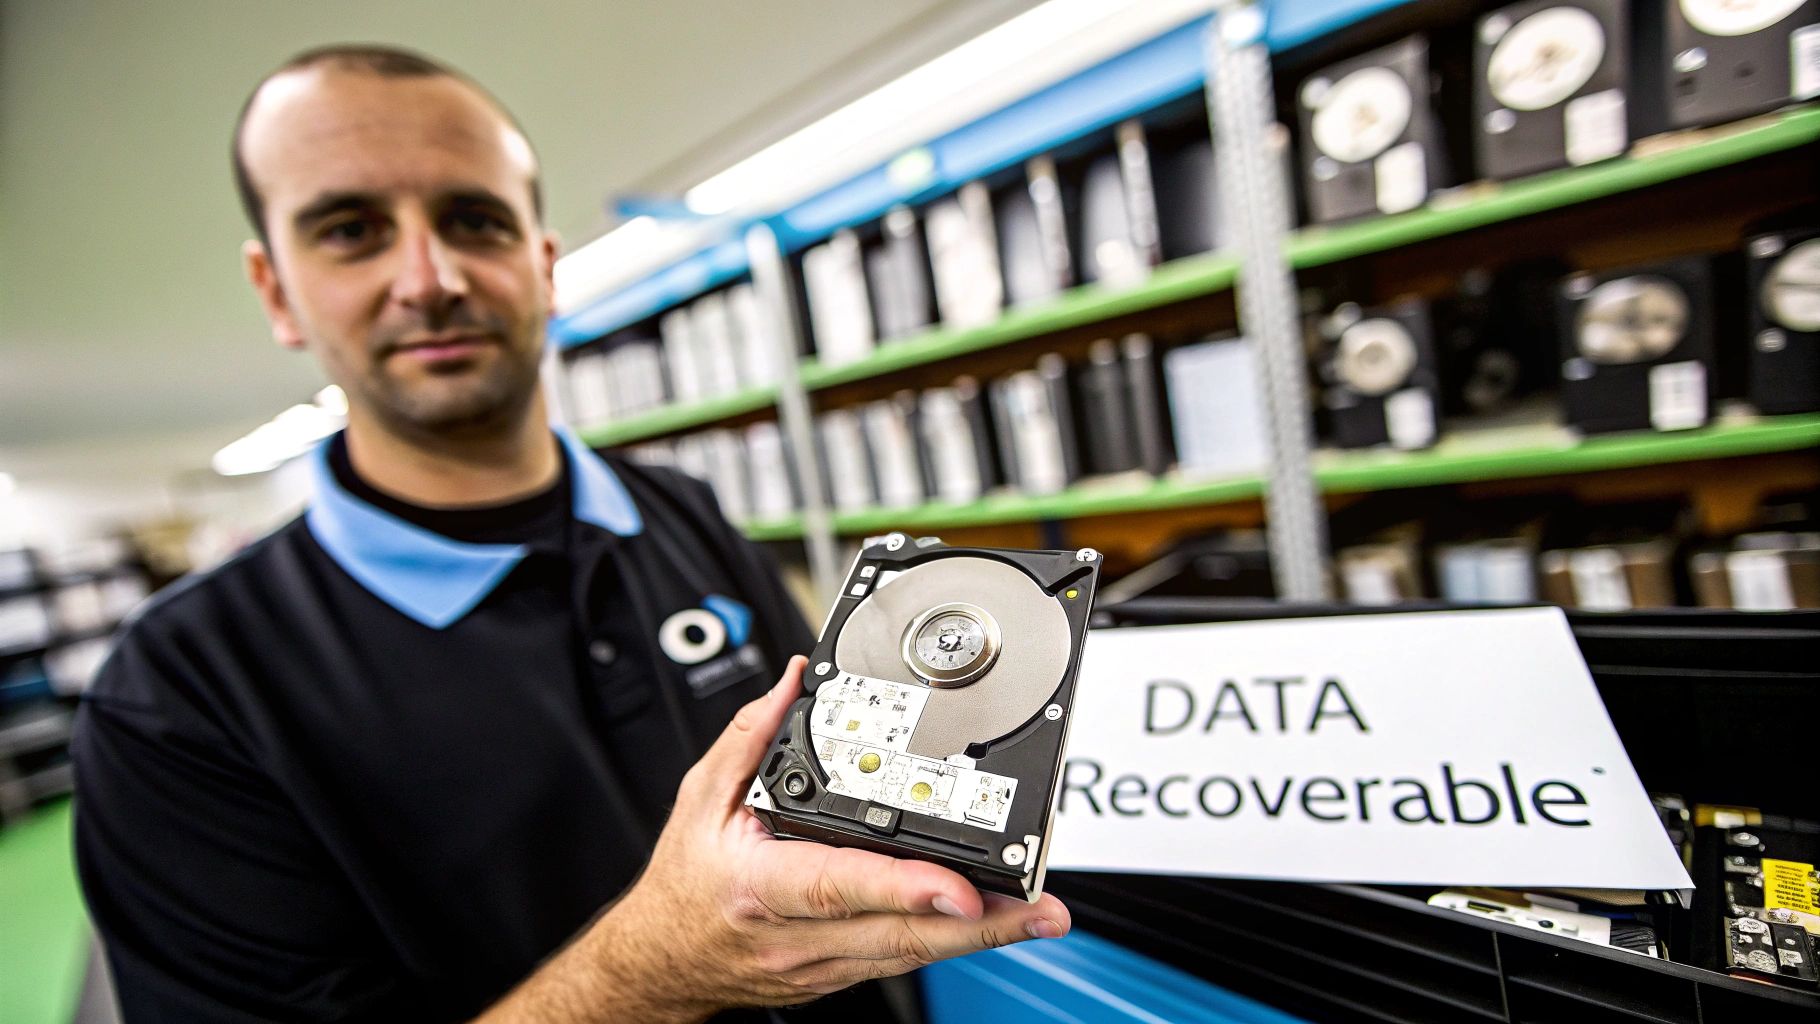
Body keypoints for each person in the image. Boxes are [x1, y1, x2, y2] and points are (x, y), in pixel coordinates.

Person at [72, 44, 1069, 1023]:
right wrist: (657, 971)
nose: (429, 278)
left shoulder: (684, 511)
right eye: (350, 229)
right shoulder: (174, 700)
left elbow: (837, 776)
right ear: (277, 290)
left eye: (473, 219)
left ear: (543, 265)